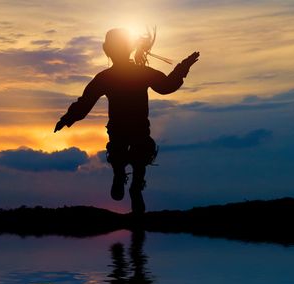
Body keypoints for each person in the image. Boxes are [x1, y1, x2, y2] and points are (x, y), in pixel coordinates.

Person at [54, 28, 199, 213]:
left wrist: (183, 68)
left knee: (131, 156)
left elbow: (85, 103)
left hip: (126, 130)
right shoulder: (126, 75)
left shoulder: (108, 77)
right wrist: (67, 118)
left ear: (107, 50)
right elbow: (166, 86)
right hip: (130, 130)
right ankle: (125, 179)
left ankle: (130, 183)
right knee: (132, 156)